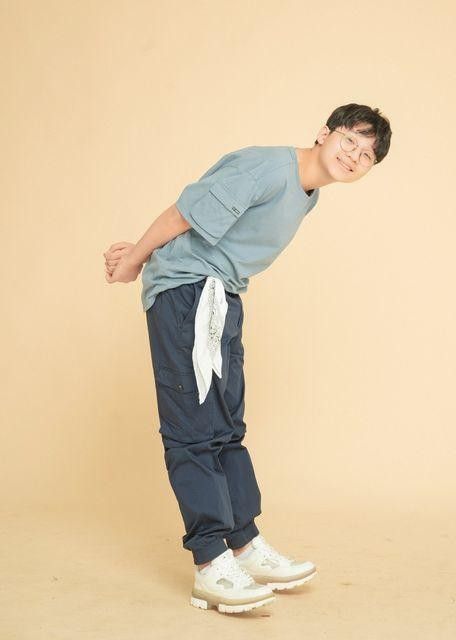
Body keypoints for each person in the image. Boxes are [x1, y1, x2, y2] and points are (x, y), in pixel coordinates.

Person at [103, 103, 392, 614]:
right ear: (324, 133)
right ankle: (211, 564)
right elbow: (184, 213)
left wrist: (148, 254)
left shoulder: (309, 195)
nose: (354, 156)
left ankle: (244, 544)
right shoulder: (267, 167)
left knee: (226, 428)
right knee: (193, 430)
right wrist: (135, 260)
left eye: (367, 155)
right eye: (351, 140)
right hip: (188, 292)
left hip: (223, 297)